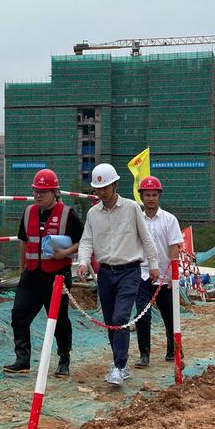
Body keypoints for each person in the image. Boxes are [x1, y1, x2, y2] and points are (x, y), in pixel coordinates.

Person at [77, 163, 158, 386]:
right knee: (110, 321)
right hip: (105, 274)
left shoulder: (132, 208)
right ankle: (119, 362)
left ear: (115, 185)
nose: (102, 192)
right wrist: (83, 262)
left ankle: (120, 367)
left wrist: (154, 265)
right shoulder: (93, 214)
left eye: (106, 187)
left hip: (129, 271)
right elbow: (86, 241)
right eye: (97, 188)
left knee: (121, 318)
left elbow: (146, 238)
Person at [3, 168, 84, 377]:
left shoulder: (67, 214)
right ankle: (22, 359)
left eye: (43, 192)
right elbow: (23, 241)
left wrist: (64, 253)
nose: (38, 195)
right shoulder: (29, 212)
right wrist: (22, 270)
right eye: (36, 191)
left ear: (54, 192)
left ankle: (64, 358)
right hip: (31, 275)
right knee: (19, 315)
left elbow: (83, 241)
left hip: (57, 276)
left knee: (58, 319)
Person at [134, 176, 183, 369]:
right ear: (142, 197)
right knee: (142, 315)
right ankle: (144, 354)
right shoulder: (136, 219)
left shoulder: (169, 220)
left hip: (164, 277)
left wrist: (172, 274)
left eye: (154, 195)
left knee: (170, 315)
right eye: (147, 195)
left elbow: (174, 248)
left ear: (159, 196)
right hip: (142, 274)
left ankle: (173, 348)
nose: (151, 198)